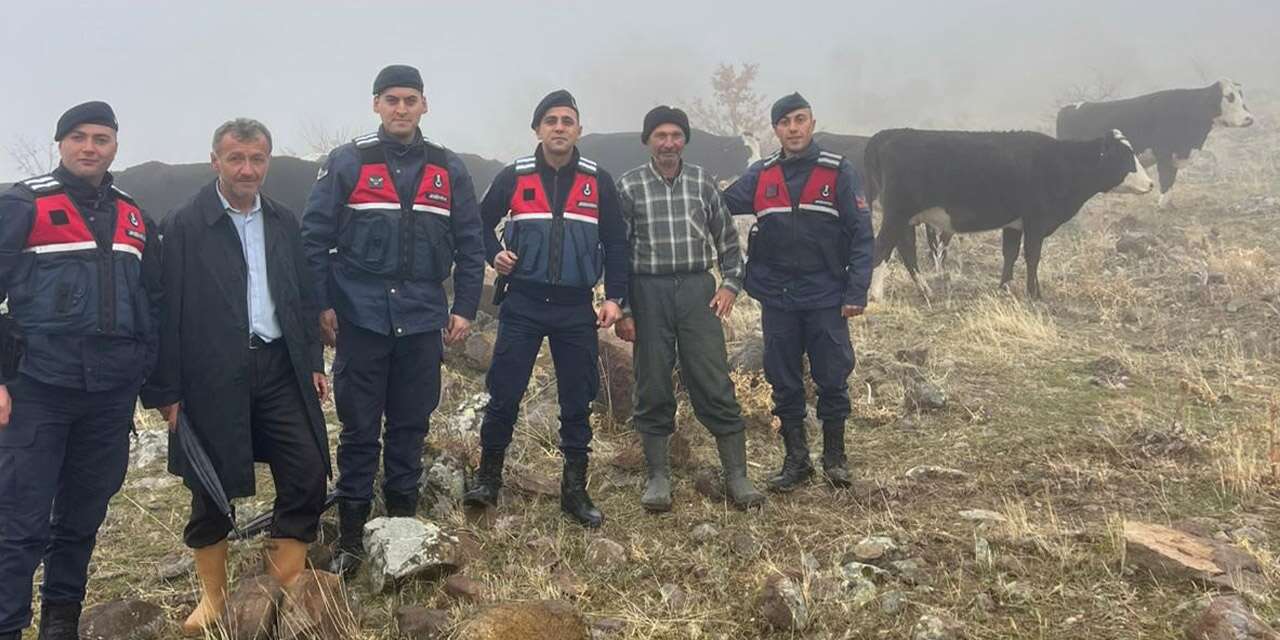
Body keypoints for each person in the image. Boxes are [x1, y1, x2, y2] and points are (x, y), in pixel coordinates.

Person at [142, 119, 331, 635]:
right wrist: (167, 390)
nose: (248, 169)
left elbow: (300, 298)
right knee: (210, 484)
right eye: (236, 159)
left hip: (278, 365)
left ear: (267, 161)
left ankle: (278, 580)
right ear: (215, 162)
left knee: (309, 467)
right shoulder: (184, 223)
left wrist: (312, 360)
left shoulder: (282, 220)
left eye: (257, 159)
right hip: (209, 372)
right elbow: (165, 309)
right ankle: (213, 596)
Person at [301, 65, 485, 576]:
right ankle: (353, 537)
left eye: (410, 100)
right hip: (360, 318)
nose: (400, 109)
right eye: (391, 100)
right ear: (376, 105)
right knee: (360, 428)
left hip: (424, 319)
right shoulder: (348, 161)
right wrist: (321, 305)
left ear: (425, 104)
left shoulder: (449, 168)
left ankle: (403, 523)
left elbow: (472, 244)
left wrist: (465, 307)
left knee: (410, 423)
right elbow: (313, 238)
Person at [0, 102, 162, 640]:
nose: (90, 147)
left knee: (81, 519)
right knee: (18, 523)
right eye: (78, 137)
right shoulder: (23, 203)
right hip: (38, 391)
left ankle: (60, 623)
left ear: (115, 145)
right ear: (60, 143)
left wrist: (153, 382)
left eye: (101, 138)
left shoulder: (133, 215)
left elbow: (152, 303)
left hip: (110, 396)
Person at [462, 90, 628, 528]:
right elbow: (479, 223)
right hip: (524, 301)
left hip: (576, 307)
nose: (559, 127)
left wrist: (614, 298)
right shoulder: (514, 176)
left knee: (578, 398)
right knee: (505, 393)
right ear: (537, 129)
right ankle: (488, 479)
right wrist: (493, 254)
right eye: (550, 120)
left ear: (578, 129)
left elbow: (616, 242)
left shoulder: (598, 180)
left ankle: (574, 491)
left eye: (567, 120)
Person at [614, 105, 765, 511]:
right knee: (653, 382)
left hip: (698, 291)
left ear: (685, 140)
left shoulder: (702, 183)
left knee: (713, 378)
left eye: (675, 135)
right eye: (660, 135)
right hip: (649, 293)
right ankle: (658, 477)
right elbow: (617, 253)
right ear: (648, 140)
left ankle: (737, 475)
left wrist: (731, 285)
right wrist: (625, 309)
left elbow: (729, 243)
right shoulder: (629, 187)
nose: (668, 143)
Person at [721, 93, 874, 491]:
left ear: (812, 123)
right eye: (785, 122)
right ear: (775, 130)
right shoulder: (762, 174)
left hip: (826, 293)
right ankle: (796, 461)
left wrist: (857, 291)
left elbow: (861, 234)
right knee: (783, 378)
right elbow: (718, 206)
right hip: (777, 296)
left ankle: (835, 459)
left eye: (800, 120)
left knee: (832, 375)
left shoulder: (839, 171)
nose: (793, 128)